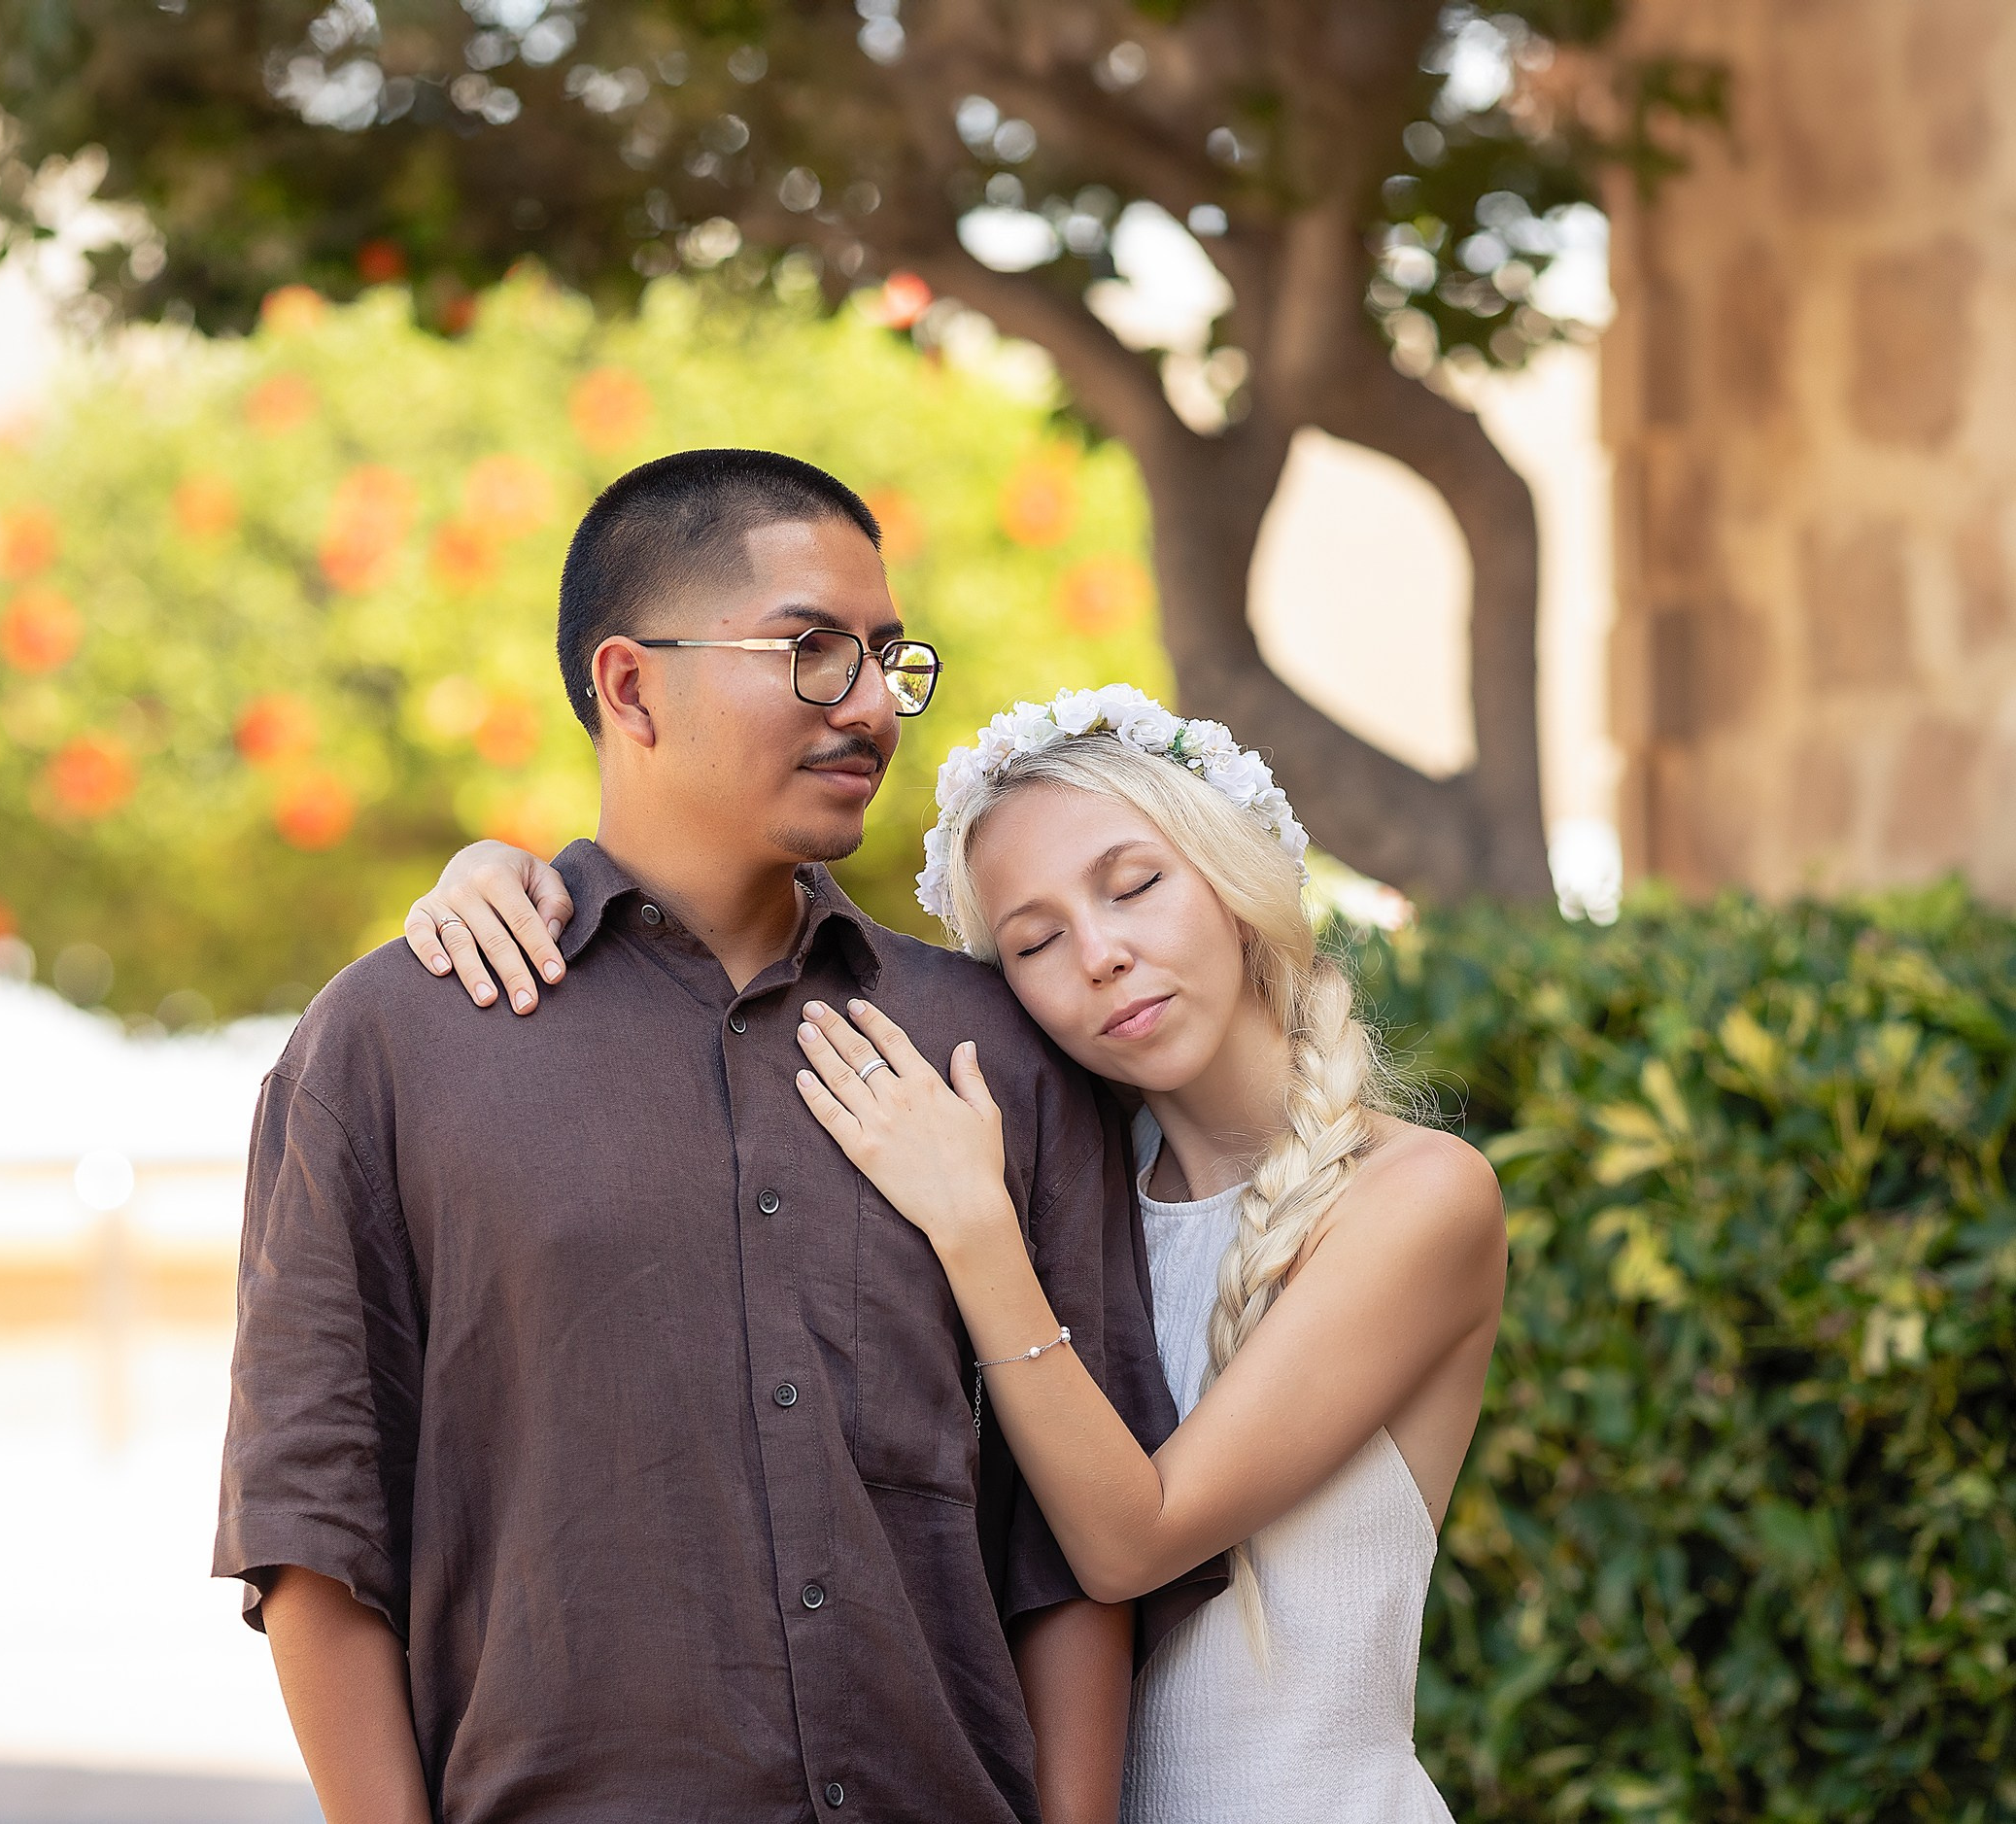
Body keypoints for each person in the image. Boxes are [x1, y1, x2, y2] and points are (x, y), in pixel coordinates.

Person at [217, 452, 1214, 1824]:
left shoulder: (998, 1048)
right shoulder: (394, 1044)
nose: (869, 704)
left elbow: (1070, 1551)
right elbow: (316, 1535)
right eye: (809, 651)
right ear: (630, 687)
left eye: (883, 655)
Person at [410, 685, 1508, 1822]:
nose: (1101, 953)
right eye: (1034, 940)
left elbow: (1137, 1540)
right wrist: (503, 877)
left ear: (1235, 881)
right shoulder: (1067, 1189)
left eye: (1135, 886)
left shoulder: (1415, 1196)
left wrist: (975, 1228)